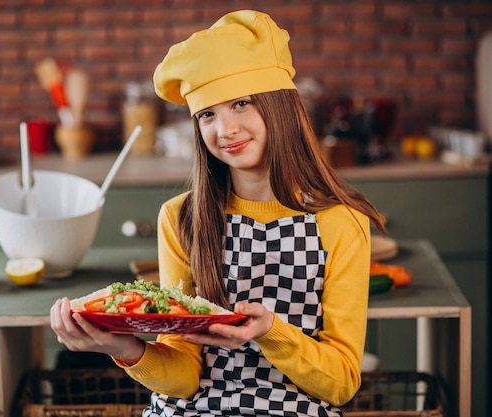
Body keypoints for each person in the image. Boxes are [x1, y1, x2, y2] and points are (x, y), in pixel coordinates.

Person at [50, 9, 386, 417]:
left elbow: (342, 384)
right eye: (207, 114)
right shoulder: (181, 218)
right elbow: (184, 378)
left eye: (241, 104)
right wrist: (120, 346)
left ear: (280, 107)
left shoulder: (341, 222)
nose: (224, 129)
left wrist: (271, 333)